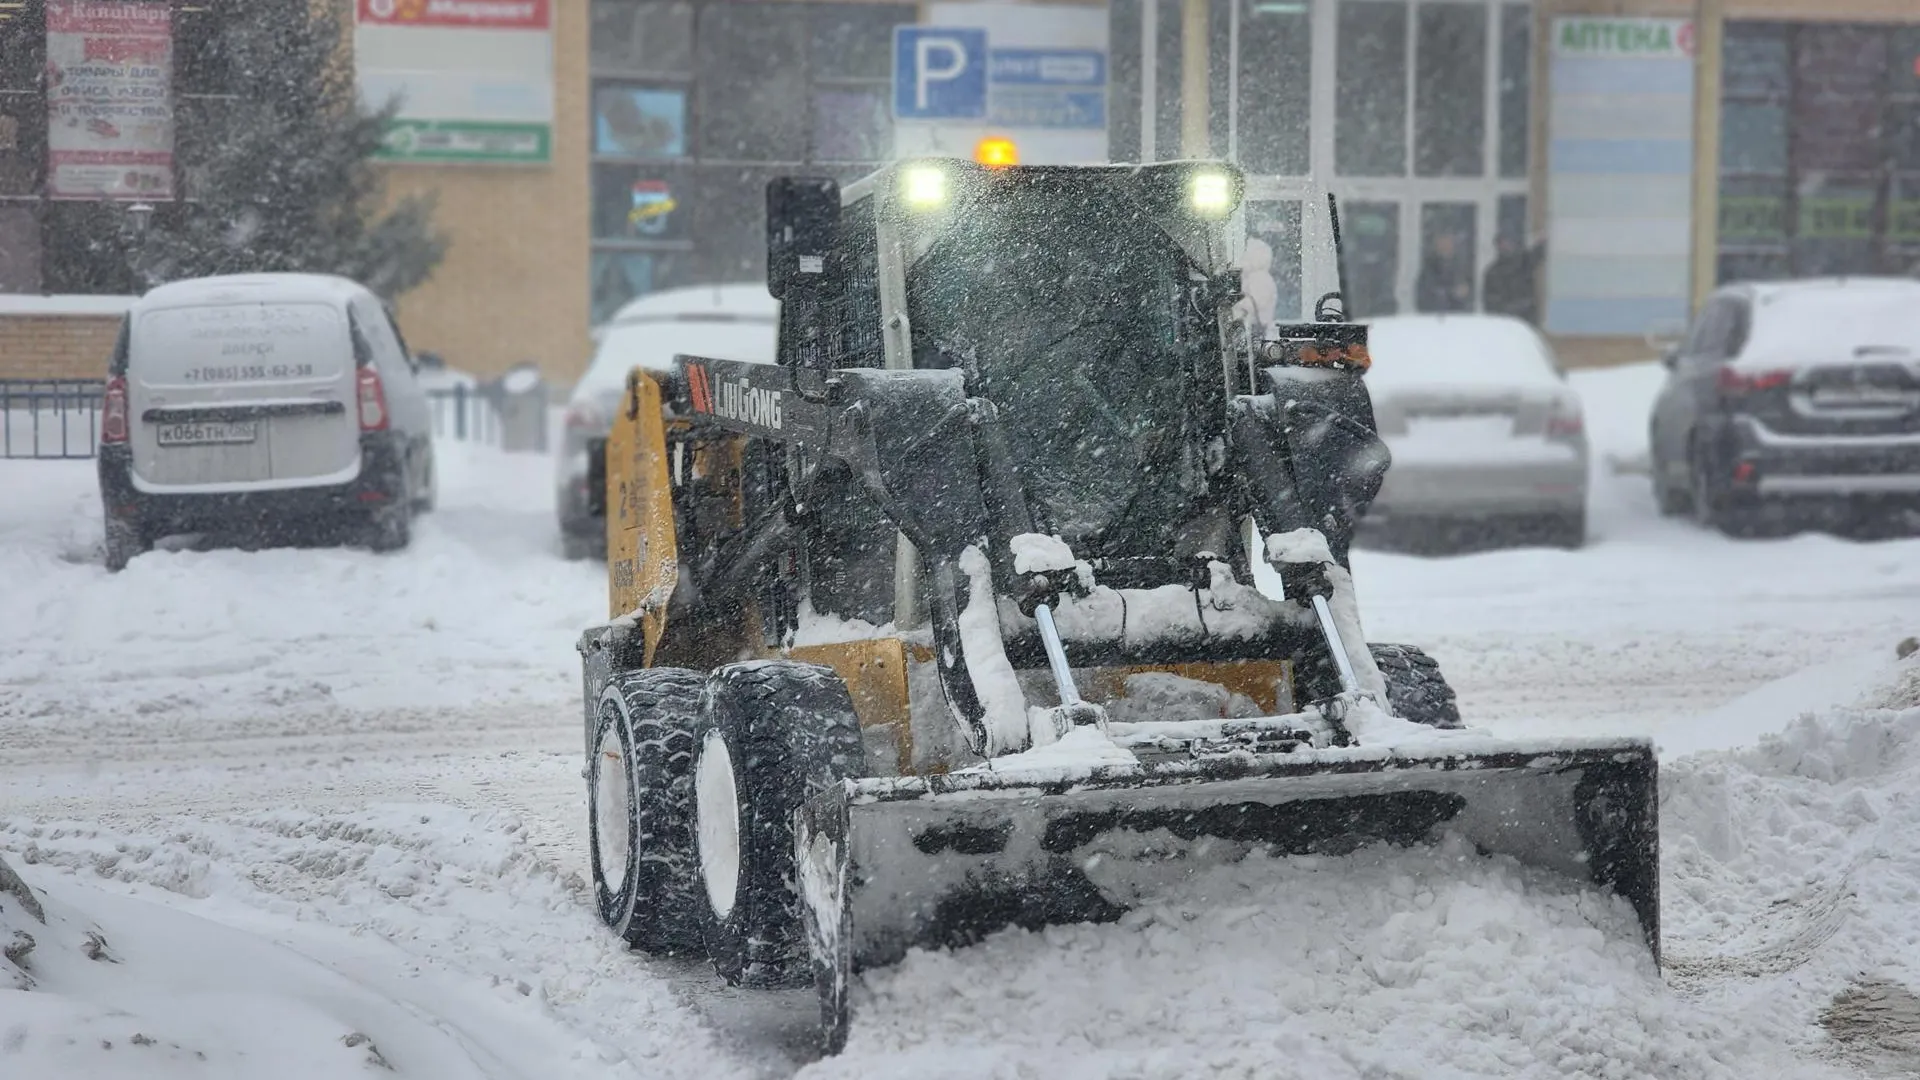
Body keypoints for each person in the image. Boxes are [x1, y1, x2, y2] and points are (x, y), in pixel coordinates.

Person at [1483, 233, 1545, 324]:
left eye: (1508, 243)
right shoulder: (1492, 272)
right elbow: (1490, 302)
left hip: (1527, 320)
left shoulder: (1524, 262)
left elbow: (1538, 253)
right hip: (1505, 322)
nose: (1506, 246)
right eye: (1502, 244)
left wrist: (1542, 242)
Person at [1416, 231, 1473, 313]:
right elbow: (1424, 298)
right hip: (1433, 319)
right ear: (1436, 246)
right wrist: (1452, 293)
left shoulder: (1463, 269)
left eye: (1448, 243)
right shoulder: (1428, 270)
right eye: (1441, 244)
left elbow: (1471, 298)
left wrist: (1465, 294)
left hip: (1459, 320)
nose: (1445, 247)